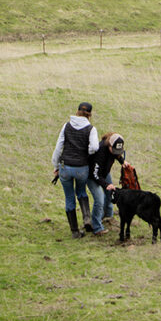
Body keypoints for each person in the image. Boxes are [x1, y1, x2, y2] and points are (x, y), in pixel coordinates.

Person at [52, 101, 99, 239]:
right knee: (81, 191)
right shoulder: (91, 129)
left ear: (77, 111)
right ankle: (86, 219)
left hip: (65, 167)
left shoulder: (66, 126)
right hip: (81, 168)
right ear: (89, 114)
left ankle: (75, 231)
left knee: (69, 198)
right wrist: (87, 151)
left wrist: (56, 166)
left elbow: (58, 148)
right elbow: (95, 147)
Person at [86, 132, 126, 236]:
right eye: (114, 150)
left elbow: (117, 154)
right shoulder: (100, 151)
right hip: (92, 176)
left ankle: (108, 217)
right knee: (99, 199)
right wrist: (105, 184)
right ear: (109, 145)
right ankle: (97, 227)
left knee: (110, 194)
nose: (116, 152)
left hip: (104, 173)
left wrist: (123, 162)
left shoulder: (113, 149)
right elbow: (95, 173)